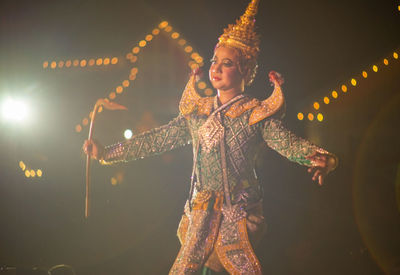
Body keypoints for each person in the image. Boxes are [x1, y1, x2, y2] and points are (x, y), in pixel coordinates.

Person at [83, 0, 338, 274]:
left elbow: (288, 144)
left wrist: (322, 158)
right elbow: (158, 139)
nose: (215, 68)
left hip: (236, 216)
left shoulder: (254, 114)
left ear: (245, 69)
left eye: (226, 63)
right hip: (200, 215)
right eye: (214, 60)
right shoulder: (198, 111)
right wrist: (107, 153)